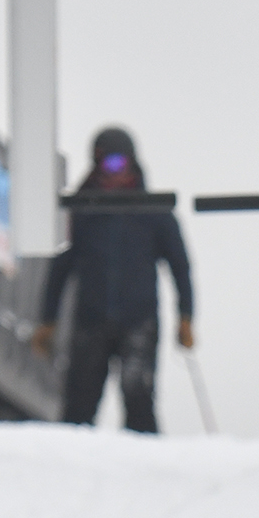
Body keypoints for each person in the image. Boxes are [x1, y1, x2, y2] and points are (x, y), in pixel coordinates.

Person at [36, 126, 195, 432]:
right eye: (106, 164)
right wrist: (47, 320)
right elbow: (60, 269)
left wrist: (186, 316)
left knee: (139, 402)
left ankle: (145, 468)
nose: (113, 172)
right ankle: (68, 468)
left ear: (132, 162)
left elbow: (180, 267)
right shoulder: (81, 211)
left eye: (119, 163)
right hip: (90, 322)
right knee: (78, 408)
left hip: (139, 322)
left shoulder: (155, 211)